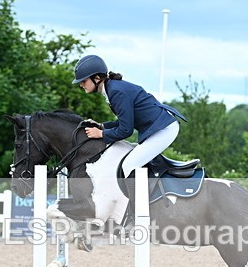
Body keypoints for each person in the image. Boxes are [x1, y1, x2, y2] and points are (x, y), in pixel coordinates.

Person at [72, 54, 186, 226]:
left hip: (164, 129)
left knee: (128, 165)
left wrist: (100, 134)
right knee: (130, 162)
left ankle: (138, 216)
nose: (81, 84)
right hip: (156, 127)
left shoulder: (116, 91)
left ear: (97, 78)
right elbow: (125, 122)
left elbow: (126, 130)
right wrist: (102, 126)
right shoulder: (112, 89)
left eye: (83, 80)